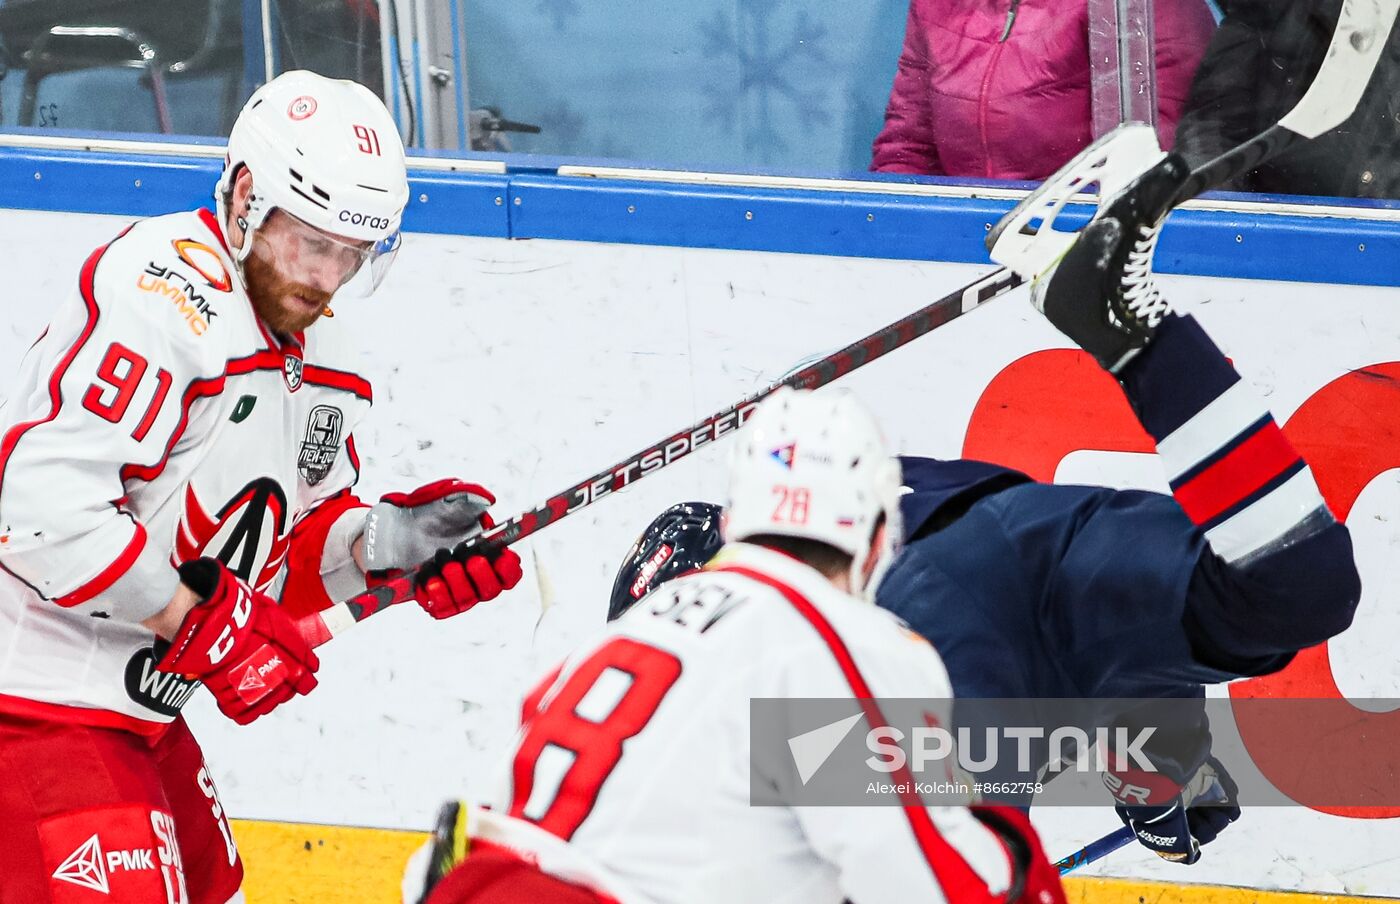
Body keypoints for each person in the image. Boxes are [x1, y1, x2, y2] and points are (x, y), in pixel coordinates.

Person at [0, 70, 523, 902]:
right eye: (311, 242)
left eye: (354, 254)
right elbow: (35, 509)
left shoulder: (325, 355)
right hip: (31, 706)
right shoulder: (164, 290)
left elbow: (273, 563)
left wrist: (393, 545)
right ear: (247, 194)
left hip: (141, 718)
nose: (326, 277)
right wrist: (192, 618)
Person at [408, 388, 1067, 904]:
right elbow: (936, 888)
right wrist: (1006, 836)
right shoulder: (845, 645)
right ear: (875, 540)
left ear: (732, 524)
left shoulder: (633, 628)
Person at [870, 0, 1215, 179]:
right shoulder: (936, 5)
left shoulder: (1142, 6)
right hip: (964, 248)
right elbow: (906, 149)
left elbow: (1155, 166)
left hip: (1081, 255)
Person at [1174, 0, 1400, 199]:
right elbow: (1211, 126)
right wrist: (1226, 223)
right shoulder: (1282, 10)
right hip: (1271, 224)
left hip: (1383, 234)